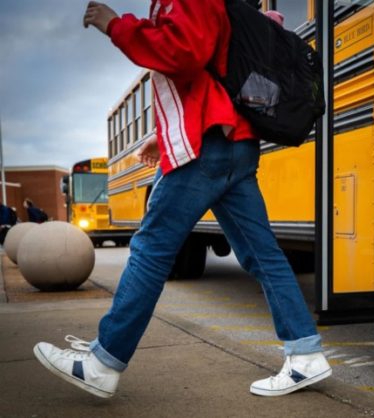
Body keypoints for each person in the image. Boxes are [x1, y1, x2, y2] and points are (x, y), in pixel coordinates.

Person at [33, 0, 330, 399]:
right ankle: (305, 355)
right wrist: (165, 132)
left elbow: (186, 52)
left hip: (207, 147)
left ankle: (104, 362)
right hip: (235, 143)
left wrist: (117, 26)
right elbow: (212, 70)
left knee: (151, 249)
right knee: (263, 255)